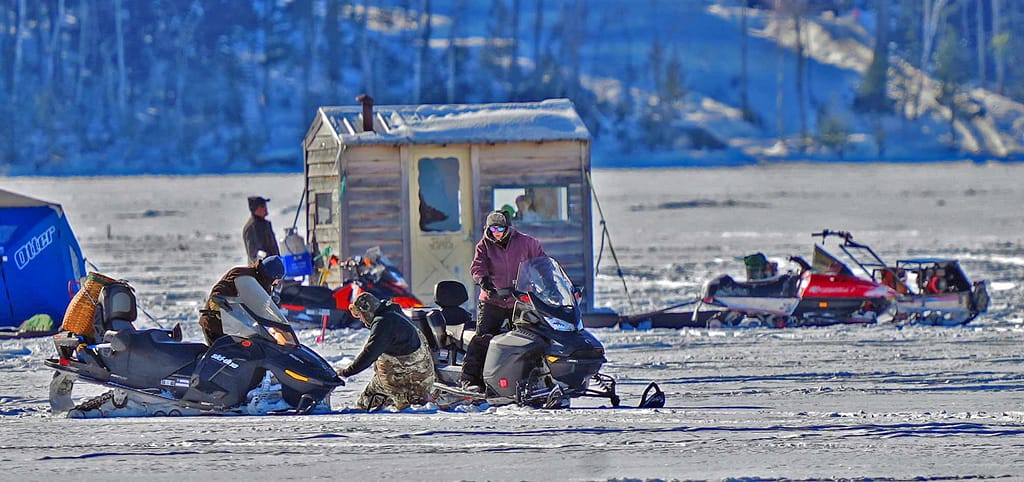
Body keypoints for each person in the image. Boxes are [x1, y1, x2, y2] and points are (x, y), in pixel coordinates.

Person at [459, 210, 546, 391]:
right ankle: (470, 379)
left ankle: (530, 377)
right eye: (492, 229)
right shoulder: (484, 245)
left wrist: (548, 282)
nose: (496, 233)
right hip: (493, 300)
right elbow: (477, 267)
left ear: (508, 228)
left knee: (529, 339)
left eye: (499, 228)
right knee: (483, 338)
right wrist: (484, 281)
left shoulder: (526, 242)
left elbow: (542, 263)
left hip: (520, 300)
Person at [337, 292, 436, 411]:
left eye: (360, 315)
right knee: (366, 402)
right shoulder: (393, 313)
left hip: (406, 381)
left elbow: (370, 353)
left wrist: (347, 372)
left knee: (367, 406)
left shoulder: (384, 323)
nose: (361, 320)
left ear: (367, 312)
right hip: (407, 376)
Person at [198, 255, 286, 345]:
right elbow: (221, 288)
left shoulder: (264, 284)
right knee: (228, 355)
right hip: (217, 324)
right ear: (270, 275)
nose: (277, 283)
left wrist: (271, 306)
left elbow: (259, 308)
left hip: (239, 328)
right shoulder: (242, 274)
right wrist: (218, 299)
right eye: (277, 279)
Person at [243, 196, 280, 264]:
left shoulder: (265, 224)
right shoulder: (251, 227)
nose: (265, 208)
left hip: (273, 267)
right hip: (261, 270)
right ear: (255, 209)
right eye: (262, 206)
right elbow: (253, 254)